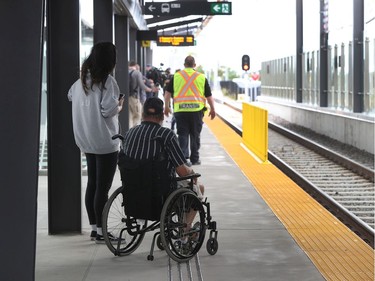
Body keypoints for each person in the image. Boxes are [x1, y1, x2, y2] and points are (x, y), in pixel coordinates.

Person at [67, 42, 123, 244]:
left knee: (92, 184)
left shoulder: (81, 81)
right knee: (103, 187)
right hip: (105, 142)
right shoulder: (108, 82)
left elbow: (70, 96)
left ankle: (94, 228)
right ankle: (102, 232)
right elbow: (108, 110)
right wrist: (120, 105)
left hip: (86, 140)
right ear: (110, 60)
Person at [120, 97, 204, 222]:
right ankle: (186, 231)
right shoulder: (166, 135)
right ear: (162, 117)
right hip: (159, 195)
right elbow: (182, 172)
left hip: (133, 192)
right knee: (199, 188)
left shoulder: (130, 133)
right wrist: (192, 174)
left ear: (143, 114)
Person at [164, 56, 216, 166]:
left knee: (182, 134)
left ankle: (183, 159)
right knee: (195, 135)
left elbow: (167, 93)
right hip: (196, 111)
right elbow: (209, 96)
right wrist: (212, 109)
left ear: (184, 65)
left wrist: (166, 107)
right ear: (194, 65)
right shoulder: (201, 77)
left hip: (180, 110)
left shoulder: (176, 76)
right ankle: (195, 159)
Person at [128, 61, 156, 128]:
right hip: (134, 97)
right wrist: (151, 90)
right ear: (135, 65)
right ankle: (134, 131)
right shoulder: (137, 73)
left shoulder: (125, 71)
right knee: (138, 115)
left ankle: (129, 131)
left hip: (126, 97)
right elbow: (142, 86)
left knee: (130, 116)